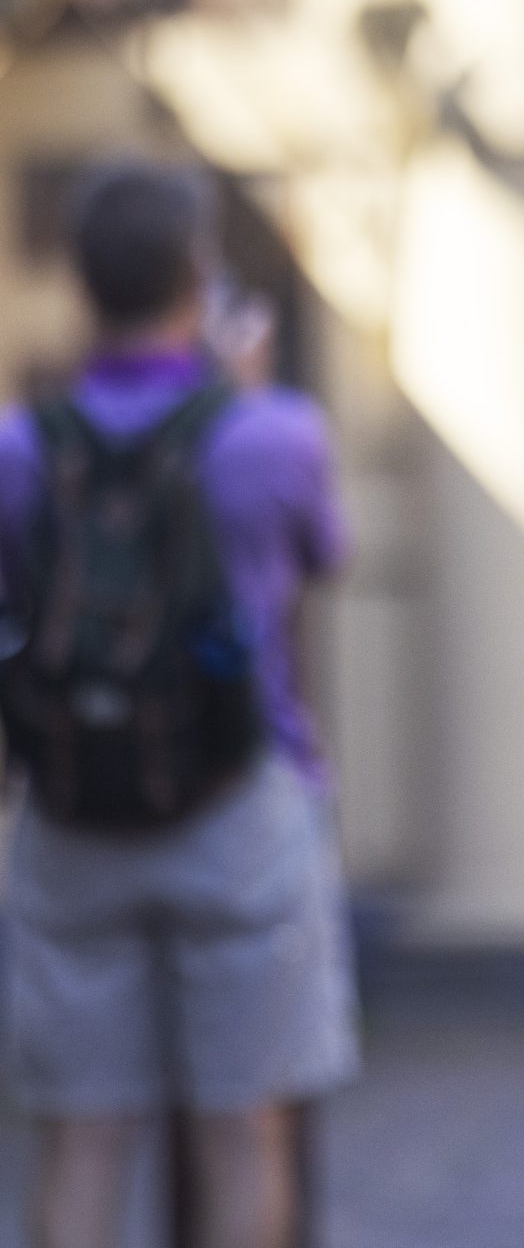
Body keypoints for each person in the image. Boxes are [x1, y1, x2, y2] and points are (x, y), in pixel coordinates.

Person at [0, 162, 355, 1248]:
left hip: (66, 811)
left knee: (82, 1138)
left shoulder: (18, 447)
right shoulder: (272, 435)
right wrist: (240, 392)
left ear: (78, 283)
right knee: (242, 1131)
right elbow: (322, 557)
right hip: (237, 801)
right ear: (199, 278)